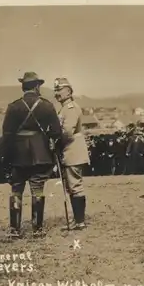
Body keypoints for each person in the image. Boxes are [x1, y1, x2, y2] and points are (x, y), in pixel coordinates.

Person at [0, 72, 63, 238]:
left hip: (17, 154)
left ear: (23, 87)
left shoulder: (13, 107)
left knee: (16, 190)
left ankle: (15, 229)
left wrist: (5, 158)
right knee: (37, 189)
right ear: (37, 86)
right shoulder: (47, 106)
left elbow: (6, 135)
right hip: (40, 153)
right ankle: (37, 228)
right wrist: (50, 142)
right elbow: (57, 132)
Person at [54, 77, 91, 230]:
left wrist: (55, 143)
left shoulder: (70, 108)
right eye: (55, 90)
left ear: (68, 91)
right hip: (69, 151)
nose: (56, 93)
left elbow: (67, 132)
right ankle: (77, 220)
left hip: (72, 150)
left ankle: (80, 221)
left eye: (59, 89)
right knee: (72, 186)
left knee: (75, 186)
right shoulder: (64, 108)